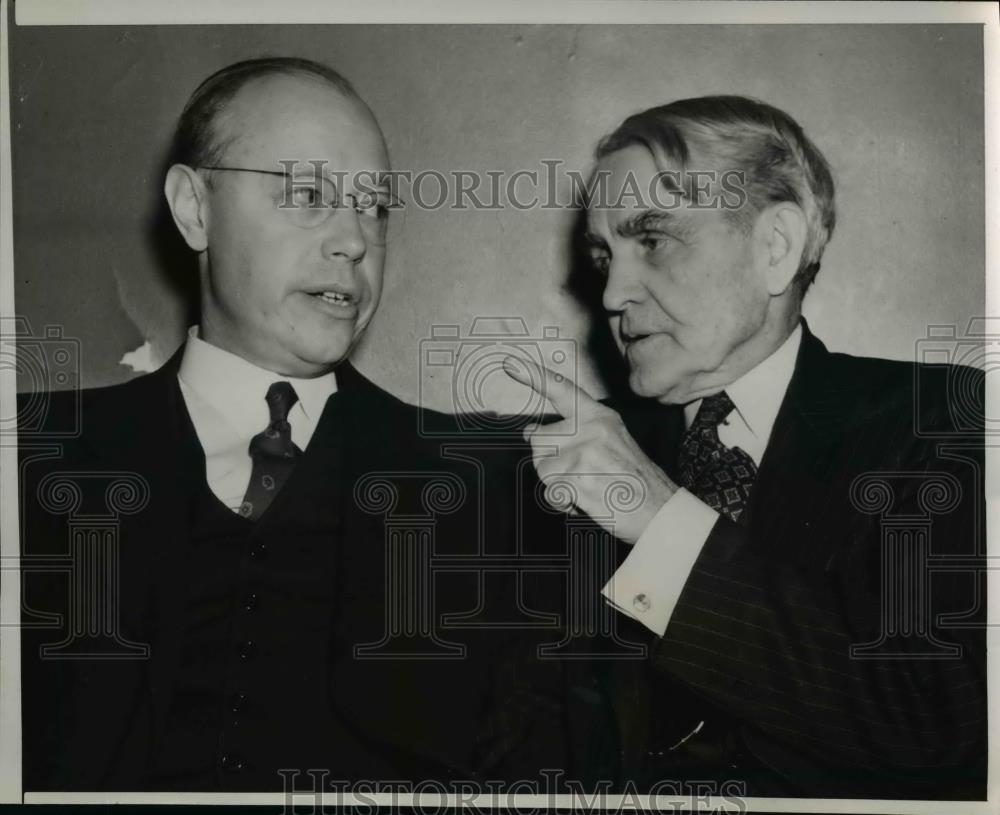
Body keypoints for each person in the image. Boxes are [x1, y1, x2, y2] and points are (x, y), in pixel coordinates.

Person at [18, 57, 518, 792]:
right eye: (309, 193)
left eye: (375, 206)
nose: (354, 239)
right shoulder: (31, 457)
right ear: (195, 209)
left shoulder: (478, 484)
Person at [505, 95, 986, 798]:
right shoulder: (575, 458)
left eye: (654, 239)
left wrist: (662, 522)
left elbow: (945, 728)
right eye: (604, 256)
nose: (611, 293)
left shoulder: (935, 422)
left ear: (775, 248)